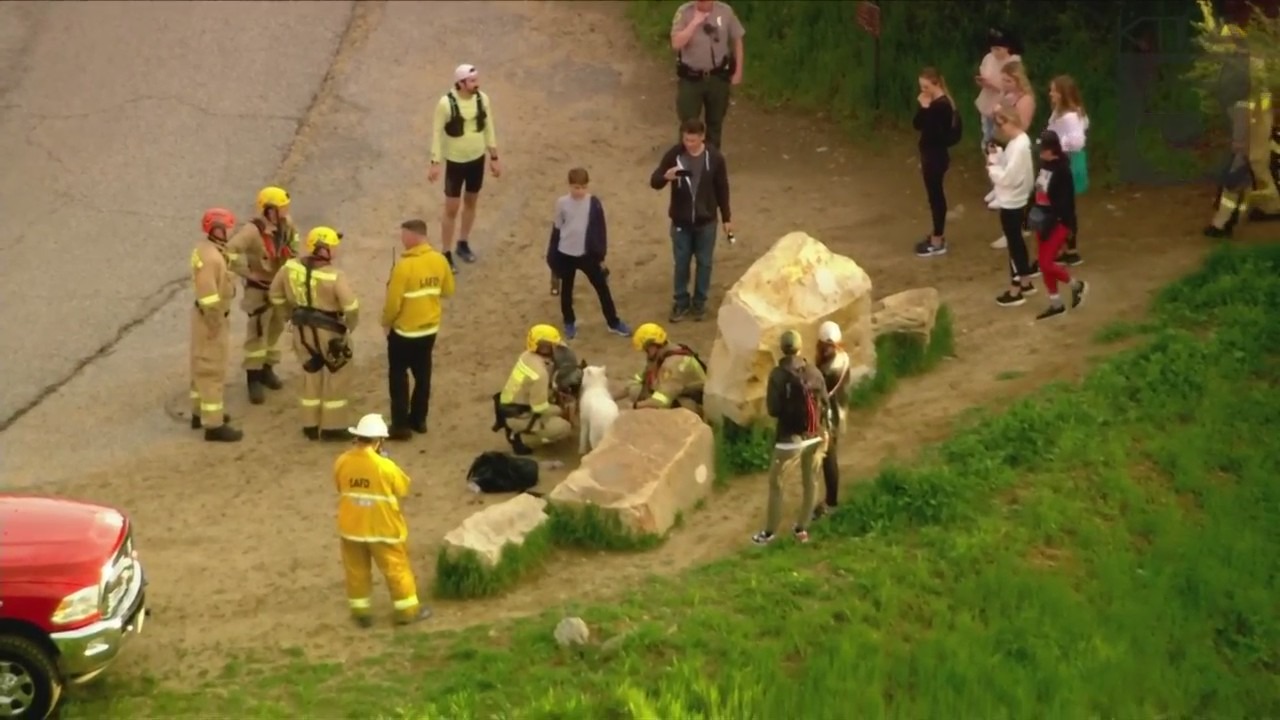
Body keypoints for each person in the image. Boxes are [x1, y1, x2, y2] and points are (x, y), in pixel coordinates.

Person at [334, 413, 431, 628]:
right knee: (396, 569)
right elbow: (402, 487)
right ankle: (407, 611)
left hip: (351, 527)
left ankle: (361, 614)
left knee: (356, 571)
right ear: (379, 441)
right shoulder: (384, 467)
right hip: (382, 528)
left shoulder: (342, 461)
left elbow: (340, 485)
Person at [268, 227, 360, 441]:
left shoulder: (289, 268)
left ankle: (310, 424)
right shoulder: (335, 276)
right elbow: (351, 307)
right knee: (337, 375)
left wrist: (287, 315)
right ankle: (332, 426)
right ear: (326, 249)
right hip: (330, 333)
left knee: (310, 374)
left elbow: (275, 293)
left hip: (301, 331)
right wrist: (348, 328)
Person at [649, 118, 733, 323]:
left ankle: (700, 303)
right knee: (681, 263)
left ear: (702, 137)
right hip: (681, 222)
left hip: (706, 222)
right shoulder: (674, 155)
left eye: (693, 140)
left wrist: (727, 217)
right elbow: (655, 181)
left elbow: (722, 187)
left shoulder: (714, 158)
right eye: (686, 139)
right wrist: (666, 177)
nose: (689, 144)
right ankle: (680, 302)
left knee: (705, 263)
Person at [752, 330, 829, 546]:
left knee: (776, 484)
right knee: (810, 482)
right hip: (815, 435)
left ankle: (769, 533)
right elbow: (825, 401)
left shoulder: (777, 375)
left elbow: (773, 410)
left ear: (782, 349)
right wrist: (826, 431)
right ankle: (801, 529)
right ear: (800, 347)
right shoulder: (813, 370)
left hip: (789, 439)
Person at [226, 186, 300, 404]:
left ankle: (268, 369)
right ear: (269, 210)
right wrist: (247, 271)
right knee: (257, 333)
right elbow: (230, 251)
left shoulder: (287, 225)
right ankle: (253, 378)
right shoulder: (252, 231)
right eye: (281, 208)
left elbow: (294, 243)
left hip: (279, 285)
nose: (285, 212)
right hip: (259, 289)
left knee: (276, 328)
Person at [382, 219, 455, 441]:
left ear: (414, 236)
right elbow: (448, 290)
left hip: (404, 332)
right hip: (429, 329)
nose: (402, 240)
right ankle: (419, 420)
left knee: (398, 376)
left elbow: (393, 303)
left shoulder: (404, 266)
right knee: (423, 376)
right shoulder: (440, 260)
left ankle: (400, 425)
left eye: (404, 235)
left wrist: (386, 323)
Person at [427, 63, 500, 271]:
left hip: (477, 160)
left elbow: (489, 127)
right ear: (460, 83)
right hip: (456, 163)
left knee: (471, 202)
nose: (477, 84)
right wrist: (435, 162)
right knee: (451, 208)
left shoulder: (482, 99)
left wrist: (494, 156)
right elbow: (436, 133)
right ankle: (446, 252)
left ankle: (463, 243)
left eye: (477, 80)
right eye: (472, 81)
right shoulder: (445, 104)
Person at [546, 167, 632, 341]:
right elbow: (557, 227)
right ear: (570, 186)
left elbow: (600, 229)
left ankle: (613, 322)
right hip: (566, 253)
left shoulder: (594, 203)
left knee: (602, 287)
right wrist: (553, 255)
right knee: (567, 290)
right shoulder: (562, 203)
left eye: (583, 187)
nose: (580, 191)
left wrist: (600, 255)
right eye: (576, 187)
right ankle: (569, 321)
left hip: (587, 254)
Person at [189, 208, 244, 443]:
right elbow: (209, 296)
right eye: (225, 229)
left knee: (200, 365)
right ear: (217, 230)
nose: (228, 232)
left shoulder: (207, 250)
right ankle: (214, 425)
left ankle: (200, 412)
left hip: (205, 317)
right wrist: (214, 324)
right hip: (211, 319)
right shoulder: (212, 259)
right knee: (211, 370)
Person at [1029, 131, 1089, 320]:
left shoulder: (1063, 171)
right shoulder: (1044, 166)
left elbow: (1065, 203)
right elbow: (1037, 190)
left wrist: (1060, 224)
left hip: (1057, 222)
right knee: (1045, 263)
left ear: (1052, 150)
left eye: (1043, 150)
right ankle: (1055, 303)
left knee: (1046, 263)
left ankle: (1076, 285)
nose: (1040, 154)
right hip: (1042, 218)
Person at [669, 0, 745, 150]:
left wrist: (738, 71)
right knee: (688, 123)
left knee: (715, 122)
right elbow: (676, 43)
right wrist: (694, 23)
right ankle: (687, 160)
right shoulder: (684, 12)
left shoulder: (725, 11)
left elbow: (738, 39)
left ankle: (711, 161)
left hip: (718, 77)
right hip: (691, 78)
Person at [493, 324, 574, 455]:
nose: (558, 349)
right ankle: (521, 440)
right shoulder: (540, 374)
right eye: (555, 345)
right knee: (563, 427)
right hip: (520, 414)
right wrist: (560, 410)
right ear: (544, 348)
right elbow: (539, 408)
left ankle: (520, 429)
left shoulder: (527, 355)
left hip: (510, 407)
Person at [988, 106, 1037, 308]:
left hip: (1012, 200)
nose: (999, 130)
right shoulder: (1019, 142)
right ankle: (1025, 282)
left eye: (1000, 124)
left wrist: (992, 164)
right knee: (1016, 240)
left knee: (1014, 243)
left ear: (1009, 121)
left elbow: (1007, 177)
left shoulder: (1018, 146)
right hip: (1018, 197)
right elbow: (1011, 168)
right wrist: (998, 155)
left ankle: (1015, 289)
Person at [989, 61, 1036, 251]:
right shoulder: (1007, 95)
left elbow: (1021, 124)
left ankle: (1014, 231)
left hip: (1011, 143)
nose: (1005, 84)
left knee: (1012, 188)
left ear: (1018, 80)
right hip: (1003, 142)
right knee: (1005, 189)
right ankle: (1015, 228)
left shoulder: (1026, 100)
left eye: (1009, 80)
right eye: (1003, 80)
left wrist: (1004, 118)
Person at [913, 67, 960, 258]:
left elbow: (929, 130)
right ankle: (936, 234)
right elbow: (918, 124)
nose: (923, 90)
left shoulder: (941, 107)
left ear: (936, 84)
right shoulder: (937, 104)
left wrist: (925, 109)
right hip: (932, 156)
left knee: (936, 197)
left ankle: (938, 239)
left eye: (926, 86)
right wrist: (924, 108)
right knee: (934, 196)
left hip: (935, 157)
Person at [1046, 75, 1090, 266]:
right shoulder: (1062, 112)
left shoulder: (1070, 116)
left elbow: (1077, 141)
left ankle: (1068, 248)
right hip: (1061, 162)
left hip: (1066, 162)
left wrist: (1056, 145)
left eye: (1054, 90)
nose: (1051, 94)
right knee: (1062, 205)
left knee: (1063, 207)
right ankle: (1067, 247)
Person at [621, 322, 708, 415]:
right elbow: (638, 380)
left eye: (646, 349)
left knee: (660, 409)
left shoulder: (674, 364)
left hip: (692, 402)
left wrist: (634, 406)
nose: (645, 353)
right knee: (636, 390)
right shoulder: (661, 353)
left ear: (653, 345)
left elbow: (662, 401)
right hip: (674, 392)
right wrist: (609, 397)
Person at [813, 321, 851, 519]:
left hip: (828, 419)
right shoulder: (844, 358)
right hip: (840, 412)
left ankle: (832, 502)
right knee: (829, 458)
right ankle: (830, 499)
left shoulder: (826, 370)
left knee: (828, 460)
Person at [975, 28, 1022, 160]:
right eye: (993, 48)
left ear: (1007, 47)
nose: (995, 52)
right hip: (987, 102)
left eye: (998, 49)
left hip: (1004, 106)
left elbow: (1014, 86)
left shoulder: (1014, 62)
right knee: (987, 134)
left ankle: (1002, 164)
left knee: (1001, 138)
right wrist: (983, 83)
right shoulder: (988, 58)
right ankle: (989, 162)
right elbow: (984, 73)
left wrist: (993, 85)